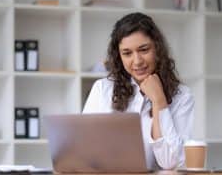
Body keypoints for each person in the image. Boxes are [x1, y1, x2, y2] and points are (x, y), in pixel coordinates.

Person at [83, 12, 194, 170]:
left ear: (157, 49)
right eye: (127, 53)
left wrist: (159, 101)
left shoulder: (182, 96)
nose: (137, 61)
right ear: (119, 56)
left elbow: (172, 163)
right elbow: (83, 151)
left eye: (143, 50)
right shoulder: (102, 89)